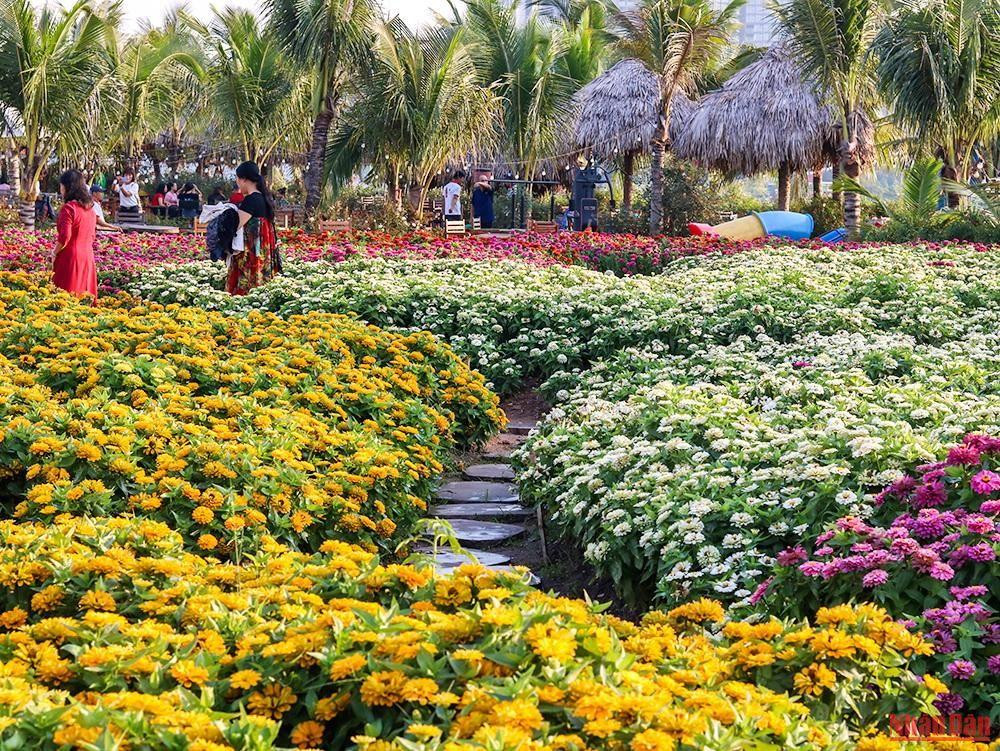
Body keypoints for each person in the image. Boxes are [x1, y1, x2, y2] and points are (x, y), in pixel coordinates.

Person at [227, 160, 280, 295]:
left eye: (237, 179)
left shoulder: (251, 200)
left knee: (246, 288)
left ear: (244, 179)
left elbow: (235, 225)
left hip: (251, 254)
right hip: (262, 253)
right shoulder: (264, 198)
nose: (237, 183)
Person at [52, 169, 98, 300]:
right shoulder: (90, 209)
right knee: (84, 301)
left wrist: (54, 252)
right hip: (88, 258)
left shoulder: (69, 208)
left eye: (61, 185)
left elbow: (65, 237)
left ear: (66, 186)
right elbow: (92, 236)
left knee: (65, 300)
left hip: (70, 258)